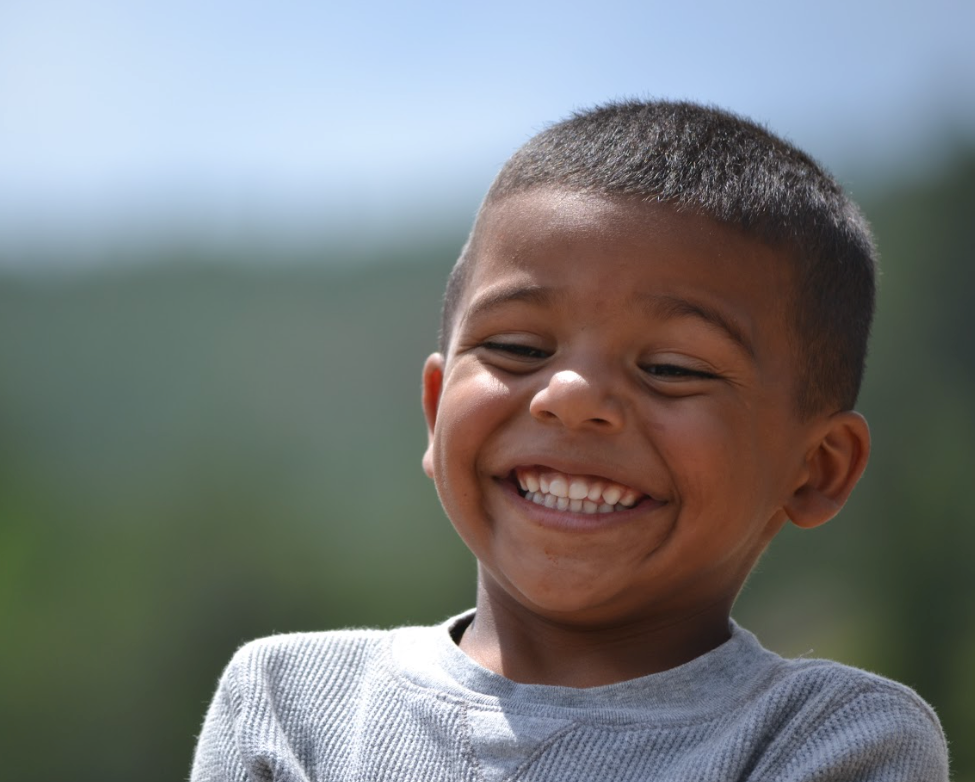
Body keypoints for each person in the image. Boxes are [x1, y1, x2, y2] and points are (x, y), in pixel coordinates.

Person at [189, 100, 949, 781]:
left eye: (672, 368)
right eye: (518, 348)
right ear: (434, 410)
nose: (571, 397)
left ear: (816, 469)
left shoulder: (834, 738)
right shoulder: (291, 703)